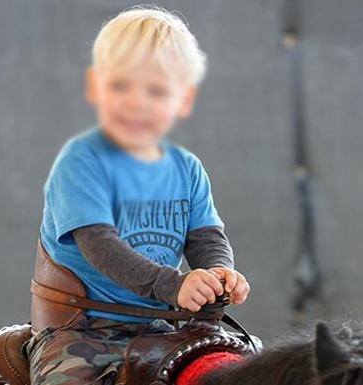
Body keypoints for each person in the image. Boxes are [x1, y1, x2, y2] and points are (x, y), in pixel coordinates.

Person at [24, 5, 251, 385]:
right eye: (120, 85)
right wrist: (175, 286)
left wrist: (217, 273)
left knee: (246, 369)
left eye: (157, 90)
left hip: (164, 324)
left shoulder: (187, 168)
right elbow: (99, 245)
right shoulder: (82, 161)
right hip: (84, 327)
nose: (137, 101)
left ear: (183, 99)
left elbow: (206, 237)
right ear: (97, 87)